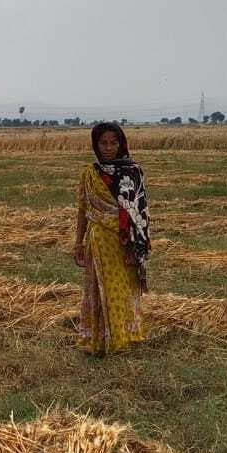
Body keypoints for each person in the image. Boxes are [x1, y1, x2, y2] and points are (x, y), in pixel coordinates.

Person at [73, 122, 150, 355]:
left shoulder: (133, 172)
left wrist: (137, 246)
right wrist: (78, 242)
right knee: (101, 289)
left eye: (113, 143)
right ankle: (101, 340)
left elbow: (141, 211)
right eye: (103, 143)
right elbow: (83, 210)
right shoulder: (90, 174)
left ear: (121, 144)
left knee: (123, 289)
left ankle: (125, 337)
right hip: (99, 241)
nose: (108, 148)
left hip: (125, 241)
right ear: (95, 145)